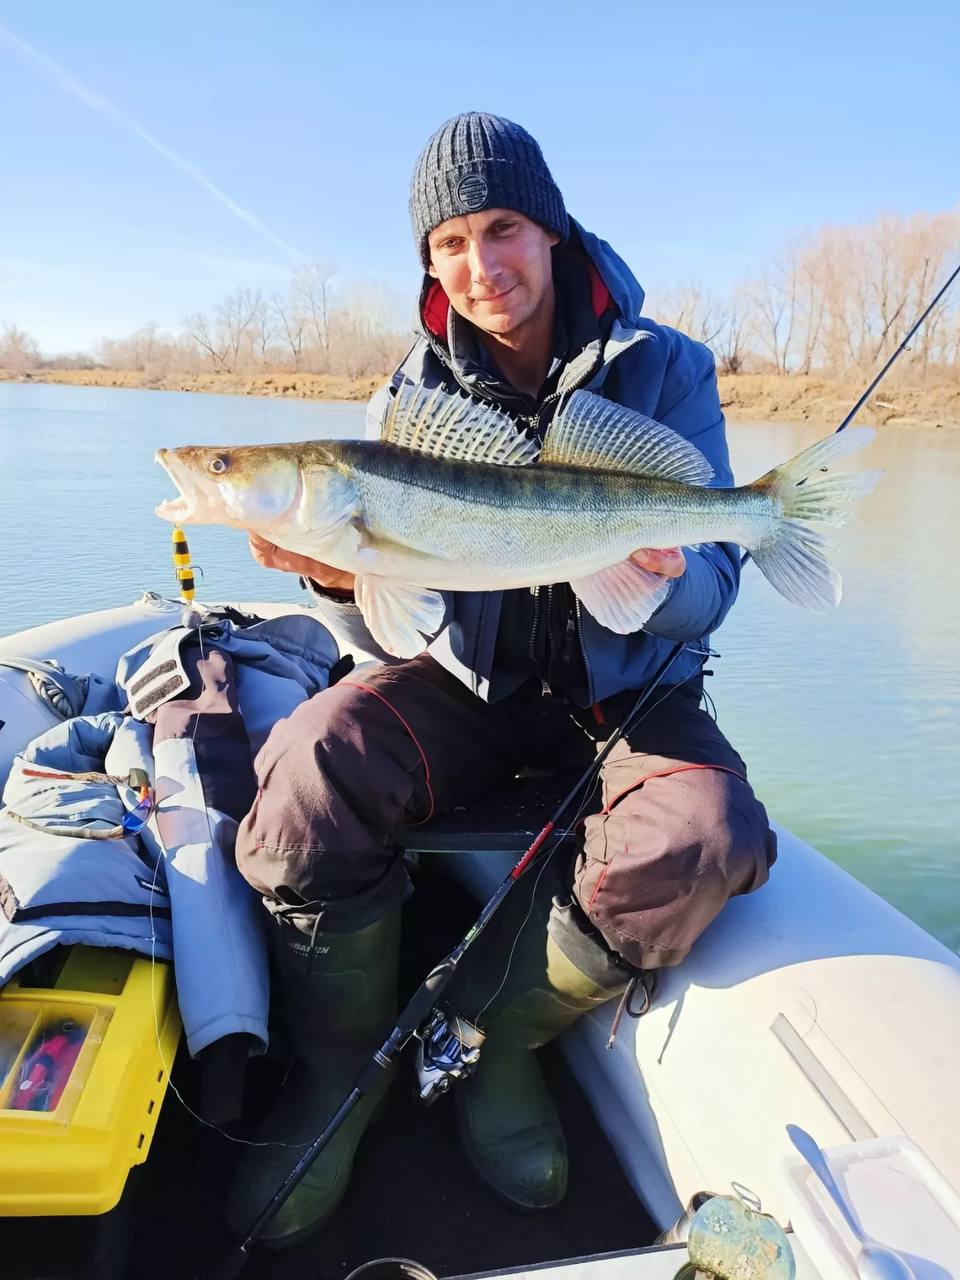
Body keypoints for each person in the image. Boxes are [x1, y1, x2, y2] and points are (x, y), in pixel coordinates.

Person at [227, 112, 777, 1246]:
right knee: (306, 767)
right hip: (469, 687)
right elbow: (393, 628)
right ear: (427, 263)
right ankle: (342, 1067)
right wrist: (339, 579)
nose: (481, 265)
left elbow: (712, 591)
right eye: (450, 243)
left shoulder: (666, 368)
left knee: (709, 830)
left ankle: (491, 1032)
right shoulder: (404, 401)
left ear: (552, 228)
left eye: (504, 228)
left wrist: (663, 572)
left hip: (627, 696)